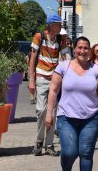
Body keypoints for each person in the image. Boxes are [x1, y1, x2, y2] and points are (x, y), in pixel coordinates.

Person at [45, 36, 98, 171]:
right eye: (79, 47)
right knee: (69, 152)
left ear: (90, 50)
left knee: (86, 153)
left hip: (91, 119)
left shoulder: (96, 70)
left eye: (86, 48)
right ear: (74, 49)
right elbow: (53, 91)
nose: (82, 50)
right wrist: (49, 114)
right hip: (66, 117)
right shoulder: (63, 67)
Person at [29, 13, 69, 156]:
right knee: (41, 110)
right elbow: (32, 60)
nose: (61, 27)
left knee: (52, 112)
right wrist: (31, 81)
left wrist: (67, 76)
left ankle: (49, 144)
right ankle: (39, 141)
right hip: (41, 76)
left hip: (54, 78)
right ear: (51, 25)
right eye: (59, 25)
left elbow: (65, 59)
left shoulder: (61, 39)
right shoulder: (39, 37)